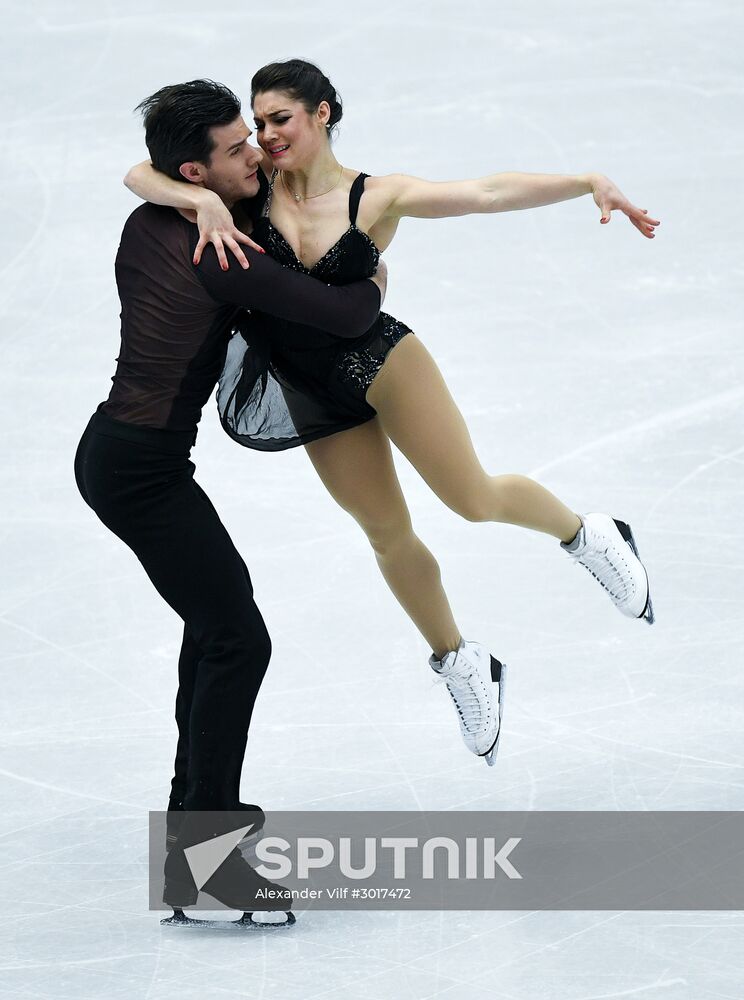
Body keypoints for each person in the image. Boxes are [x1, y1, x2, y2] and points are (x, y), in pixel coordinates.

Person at [124, 59, 659, 769]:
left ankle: (587, 535)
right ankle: (462, 661)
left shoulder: (375, 197)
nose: (266, 135)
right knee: (385, 533)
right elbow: (141, 173)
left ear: (322, 113)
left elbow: (487, 192)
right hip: (309, 387)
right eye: (258, 123)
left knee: (473, 498)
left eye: (281, 118)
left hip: (380, 363)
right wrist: (205, 204)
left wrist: (585, 181)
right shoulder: (249, 190)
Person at [75, 78, 387, 912]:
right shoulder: (222, 254)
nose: (256, 151)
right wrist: (375, 270)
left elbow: (139, 178)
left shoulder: (155, 215)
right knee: (238, 640)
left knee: (216, 630)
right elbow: (345, 316)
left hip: (123, 455)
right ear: (195, 169)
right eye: (236, 149)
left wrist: (188, 194)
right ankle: (209, 860)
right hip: (139, 471)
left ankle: (193, 845)